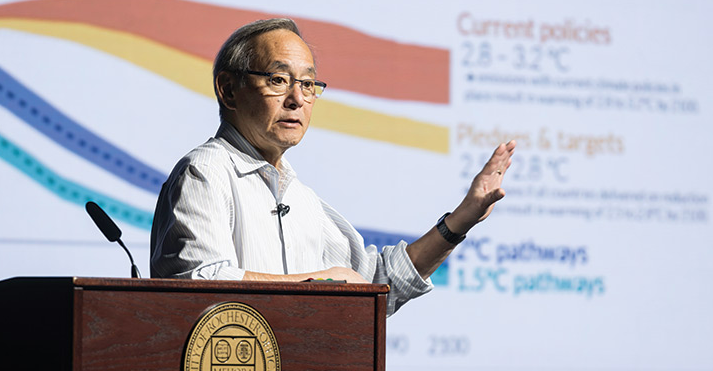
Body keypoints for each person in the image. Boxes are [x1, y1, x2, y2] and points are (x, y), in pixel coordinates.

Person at [150, 18, 515, 316]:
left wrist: (462, 219)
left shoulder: (301, 198)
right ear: (228, 90)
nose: (297, 99)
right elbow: (197, 284)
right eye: (279, 80)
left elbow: (375, 284)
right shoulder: (205, 173)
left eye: (308, 84)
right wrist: (320, 284)